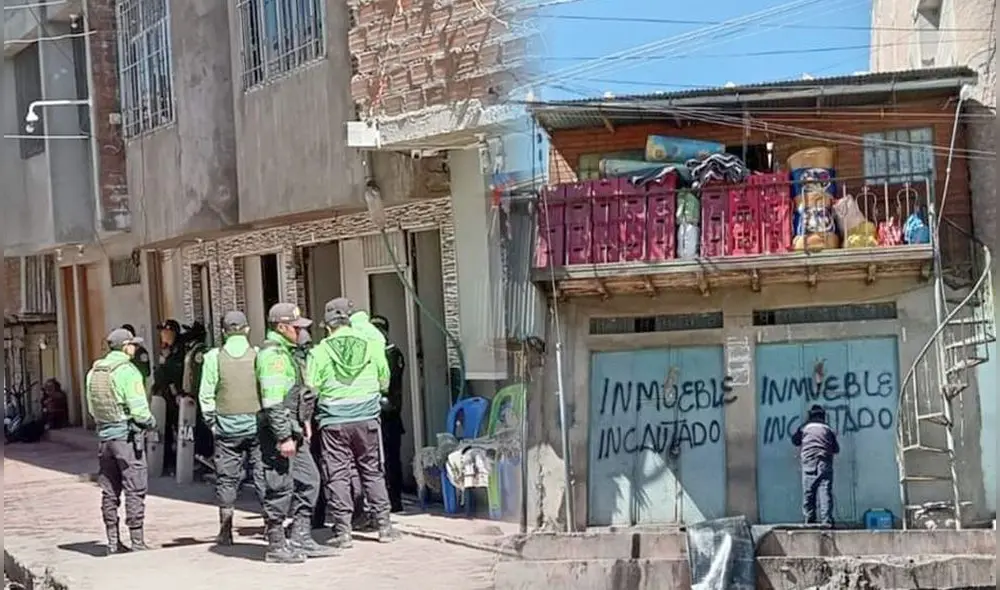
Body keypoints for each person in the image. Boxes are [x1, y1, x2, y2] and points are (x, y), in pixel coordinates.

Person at [308, 297, 399, 547]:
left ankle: (343, 532)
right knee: (372, 471)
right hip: (367, 419)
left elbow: (312, 387)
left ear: (327, 327)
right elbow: (384, 379)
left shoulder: (320, 351)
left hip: (334, 422)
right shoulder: (370, 346)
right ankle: (384, 527)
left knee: (337, 474)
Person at [256, 302, 336, 562]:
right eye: (295, 327)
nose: (300, 332)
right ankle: (276, 545)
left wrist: (304, 424)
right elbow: (273, 401)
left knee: (310, 480)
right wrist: (284, 437)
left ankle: (301, 536)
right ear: (281, 327)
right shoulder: (273, 357)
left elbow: (298, 395)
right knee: (279, 486)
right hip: (279, 432)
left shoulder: (288, 352)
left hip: (294, 428)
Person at [86, 328, 157, 555]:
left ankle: (113, 542)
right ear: (125, 346)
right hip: (126, 438)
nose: (135, 348)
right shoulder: (128, 371)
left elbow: (91, 407)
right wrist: (150, 422)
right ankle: (137, 541)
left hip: (104, 438)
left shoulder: (94, 371)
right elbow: (139, 410)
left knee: (109, 490)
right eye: (133, 345)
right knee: (134, 487)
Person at [198, 311, 265, 545]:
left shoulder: (213, 357)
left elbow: (206, 395)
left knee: (227, 479)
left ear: (224, 332)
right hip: (256, 425)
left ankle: (225, 530)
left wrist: (212, 423)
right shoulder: (258, 355)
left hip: (226, 427)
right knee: (262, 475)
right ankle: (270, 525)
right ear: (247, 329)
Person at [370, 314, 406, 513]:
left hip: (387, 413)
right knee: (383, 459)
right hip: (385, 413)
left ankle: (394, 499)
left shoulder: (390, 353)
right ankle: (388, 499)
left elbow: (389, 385)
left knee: (389, 459)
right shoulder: (388, 353)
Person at [792, 404, 839, 526]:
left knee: (809, 492)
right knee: (825, 492)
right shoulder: (828, 429)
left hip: (808, 463)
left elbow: (795, 441)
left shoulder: (804, 428)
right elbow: (836, 449)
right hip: (824, 462)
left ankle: (809, 521)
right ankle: (826, 521)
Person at [152, 319, 185, 475]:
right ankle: (167, 461)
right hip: (164, 396)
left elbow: (176, 374)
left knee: (180, 429)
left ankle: (179, 462)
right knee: (165, 430)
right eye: (162, 332)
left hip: (176, 397)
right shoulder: (165, 350)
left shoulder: (179, 350)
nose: (163, 335)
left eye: (166, 332)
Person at [182, 322, 214, 464]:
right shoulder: (192, 350)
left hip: (198, 395)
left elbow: (198, 375)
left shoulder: (201, 351)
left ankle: (205, 453)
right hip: (191, 395)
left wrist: (194, 393)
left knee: (201, 425)